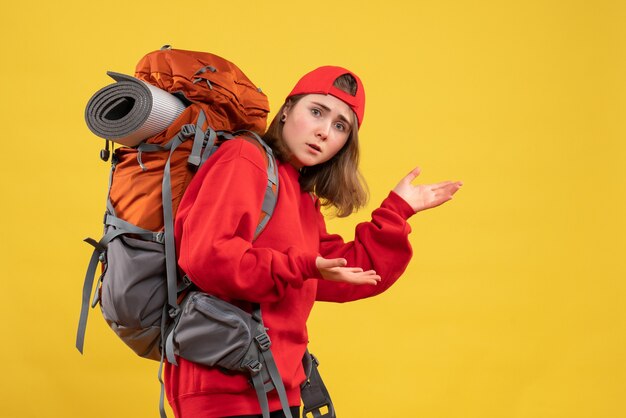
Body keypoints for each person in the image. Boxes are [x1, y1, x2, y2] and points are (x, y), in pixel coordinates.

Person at [165, 66, 462, 418]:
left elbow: (349, 270)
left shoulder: (299, 193)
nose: (324, 132)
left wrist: (398, 210)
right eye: (317, 112)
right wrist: (302, 265)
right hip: (223, 390)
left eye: (340, 126)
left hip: (276, 385)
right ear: (288, 109)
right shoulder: (245, 160)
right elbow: (207, 259)